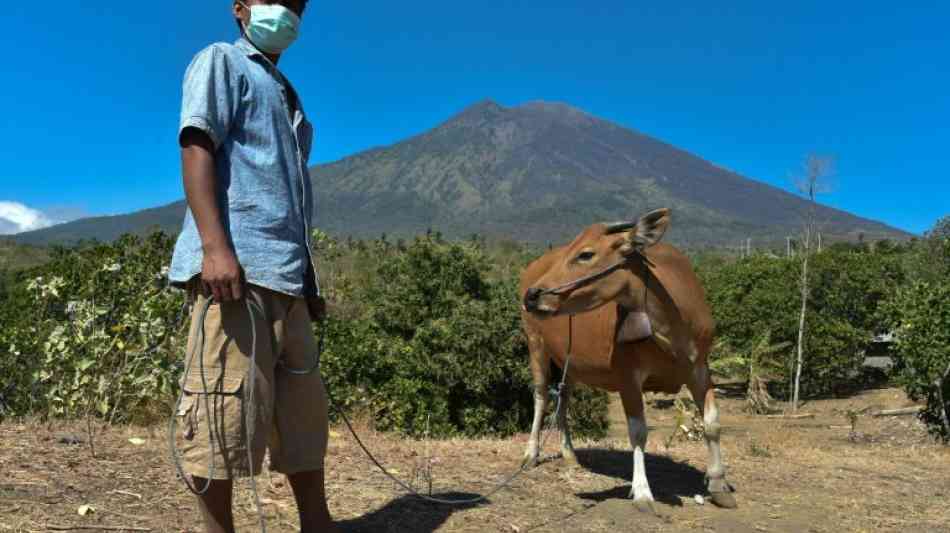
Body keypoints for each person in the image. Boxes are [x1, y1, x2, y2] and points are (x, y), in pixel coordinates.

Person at [167, 1, 337, 531]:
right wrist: (216, 250)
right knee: (220, 412)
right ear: (241, 8)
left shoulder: (287, 93)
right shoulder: (221, 60)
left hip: (287, 277)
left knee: (303, 415)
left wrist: (307, 283)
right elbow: (196, 144)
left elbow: (289, 194)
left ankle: (318, 523)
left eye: (298, 5)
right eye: (276, 0)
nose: (287, 11)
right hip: (236, 273)